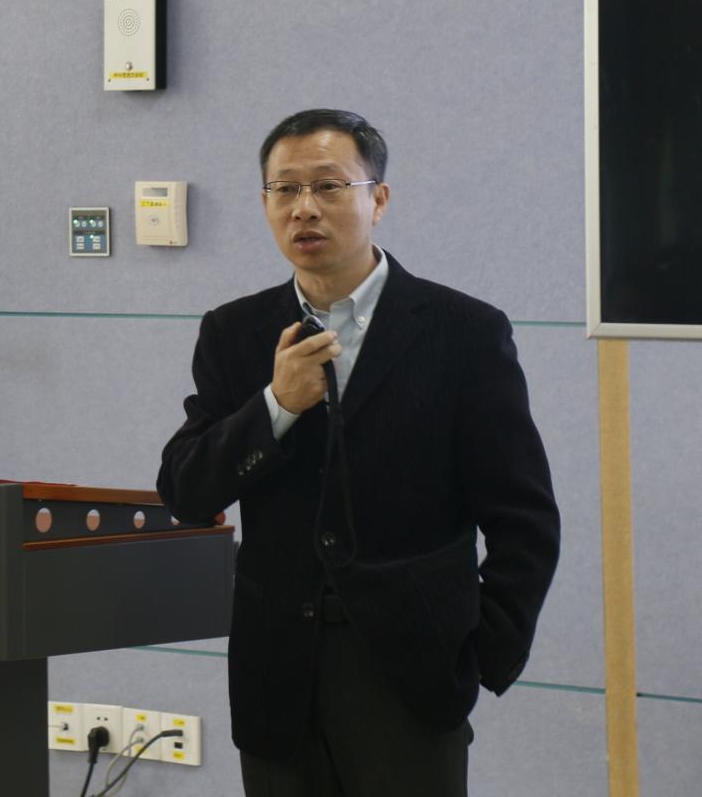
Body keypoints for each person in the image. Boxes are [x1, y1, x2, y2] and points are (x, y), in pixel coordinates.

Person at [156, 109, 559, 796]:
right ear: (264, 204)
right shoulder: (234, 331)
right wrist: (276, 406)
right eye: (284, 189)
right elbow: (186, 492)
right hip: (277, 672)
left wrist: (482, 654)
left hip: (413, 670)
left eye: (328, 186)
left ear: (379, 198)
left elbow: (525, 519)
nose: (304, 208)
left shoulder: (463, 332)